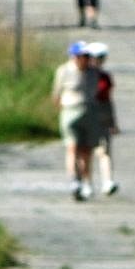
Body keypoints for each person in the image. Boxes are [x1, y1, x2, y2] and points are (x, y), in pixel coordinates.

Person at [52, 40, 100, 201]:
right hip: (70, 111)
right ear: (74, 56)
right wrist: (61, 110)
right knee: (72, 148)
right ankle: (74, 180)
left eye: (87, 56)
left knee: (86, 151)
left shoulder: (94, 72)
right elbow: (56, 94)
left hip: (89, 112)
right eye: (82, 56)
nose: (85, 59)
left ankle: (87, 182)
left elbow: (96, 94)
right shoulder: (64, 71)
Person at [85, 41, 120, 195]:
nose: (97, 61)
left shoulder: (105, 77)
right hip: (86, 115)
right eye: (94, 58)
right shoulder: (83, 76)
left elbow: (108, 100)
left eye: (101, 58)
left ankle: (107, 181)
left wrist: (113, 121)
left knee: (104, 150)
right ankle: (87, 184)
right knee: (87, 151)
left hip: (102, 116)